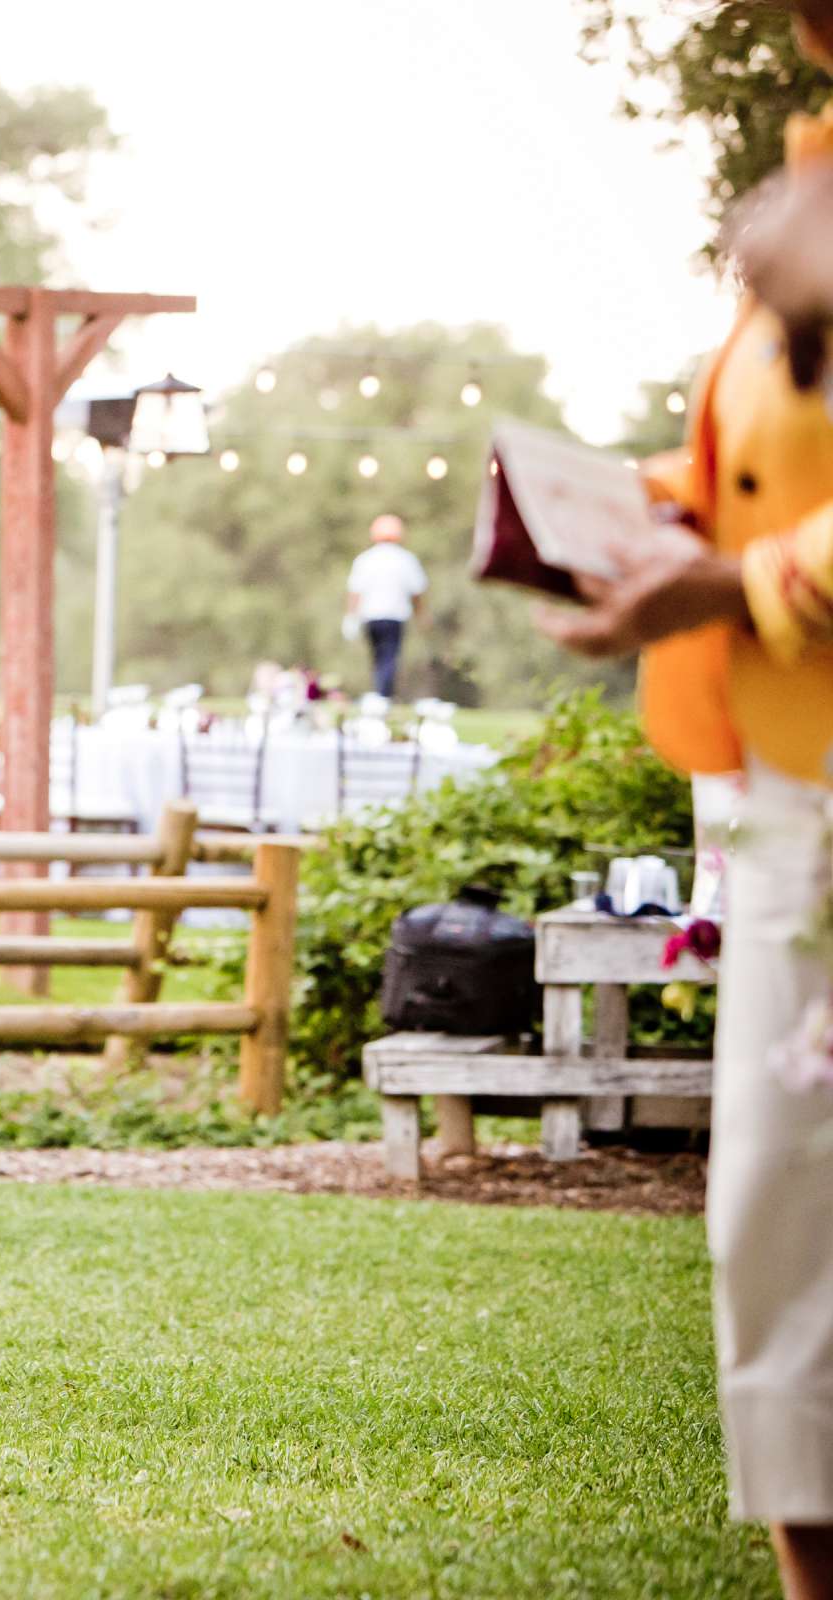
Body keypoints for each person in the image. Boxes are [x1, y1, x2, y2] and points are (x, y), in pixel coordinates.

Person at [536, 11, 833, 1590]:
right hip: (795, 788)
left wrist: (740, 581)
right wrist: (626, 519)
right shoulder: (812, 182)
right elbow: (775, 466)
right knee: (775, 1228)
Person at [345, 513, 428, 699]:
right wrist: (421, 616)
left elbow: (355, 592)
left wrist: (350, 617)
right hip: (394, 617)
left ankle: (381, 693)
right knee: (389, 657)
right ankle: (383, 695)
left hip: (371, 616)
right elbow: (416, 593)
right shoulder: (406, 559)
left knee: (378, 657)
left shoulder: (365, 559)